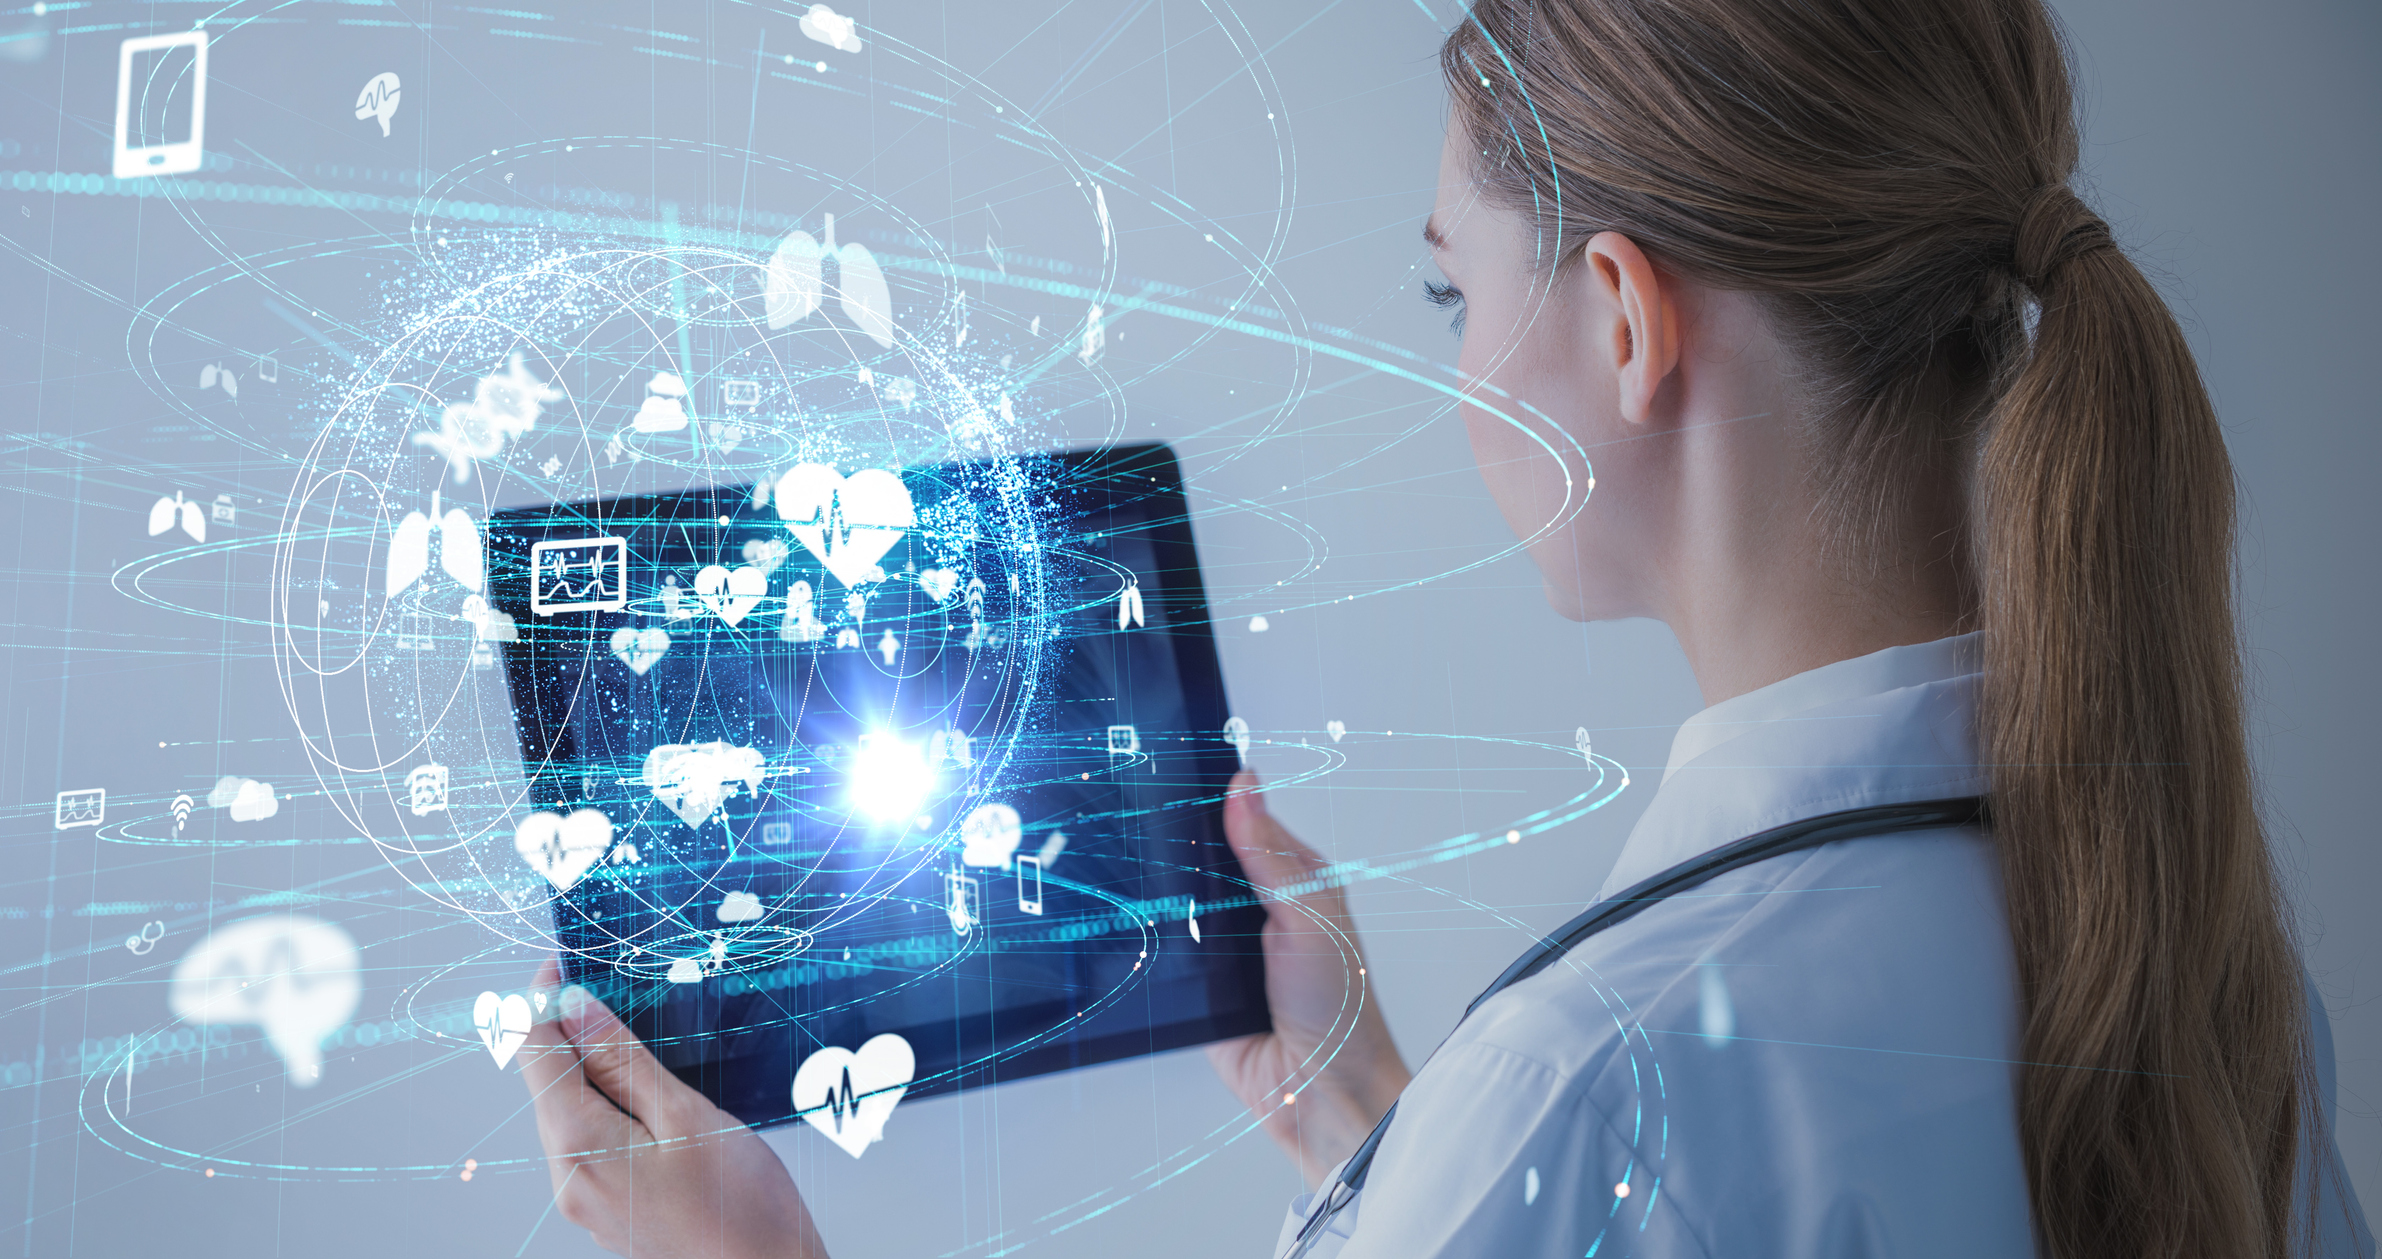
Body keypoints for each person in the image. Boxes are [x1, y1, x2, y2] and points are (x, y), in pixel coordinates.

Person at [517, 0, 2375, 1254]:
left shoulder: (1586, 1087)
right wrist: (1371, 1118)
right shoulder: (2200, 973)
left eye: (1450, 290)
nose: (1459, 365)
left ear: (1625, 324)